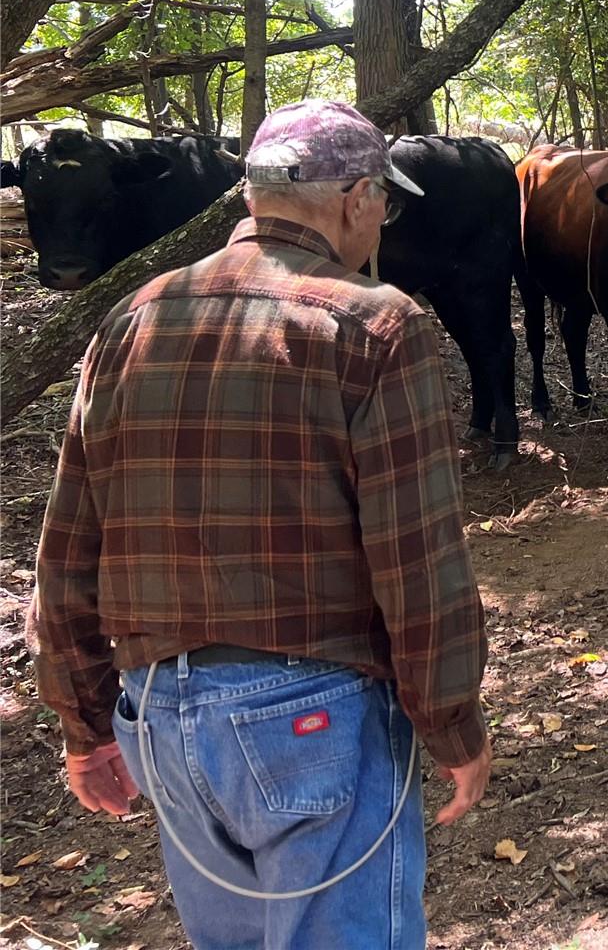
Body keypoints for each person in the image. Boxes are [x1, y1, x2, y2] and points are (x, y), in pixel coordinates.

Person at [33, 99, 491, 950]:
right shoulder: (377, 323)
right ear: (358, 199)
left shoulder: (130, 319)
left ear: (254, 198)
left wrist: (85, 720)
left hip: (159, 719)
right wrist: (451, 721)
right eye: (383, 203)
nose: (381, 221)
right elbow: (418, 556)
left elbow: (67, 548)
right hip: (315, 713)